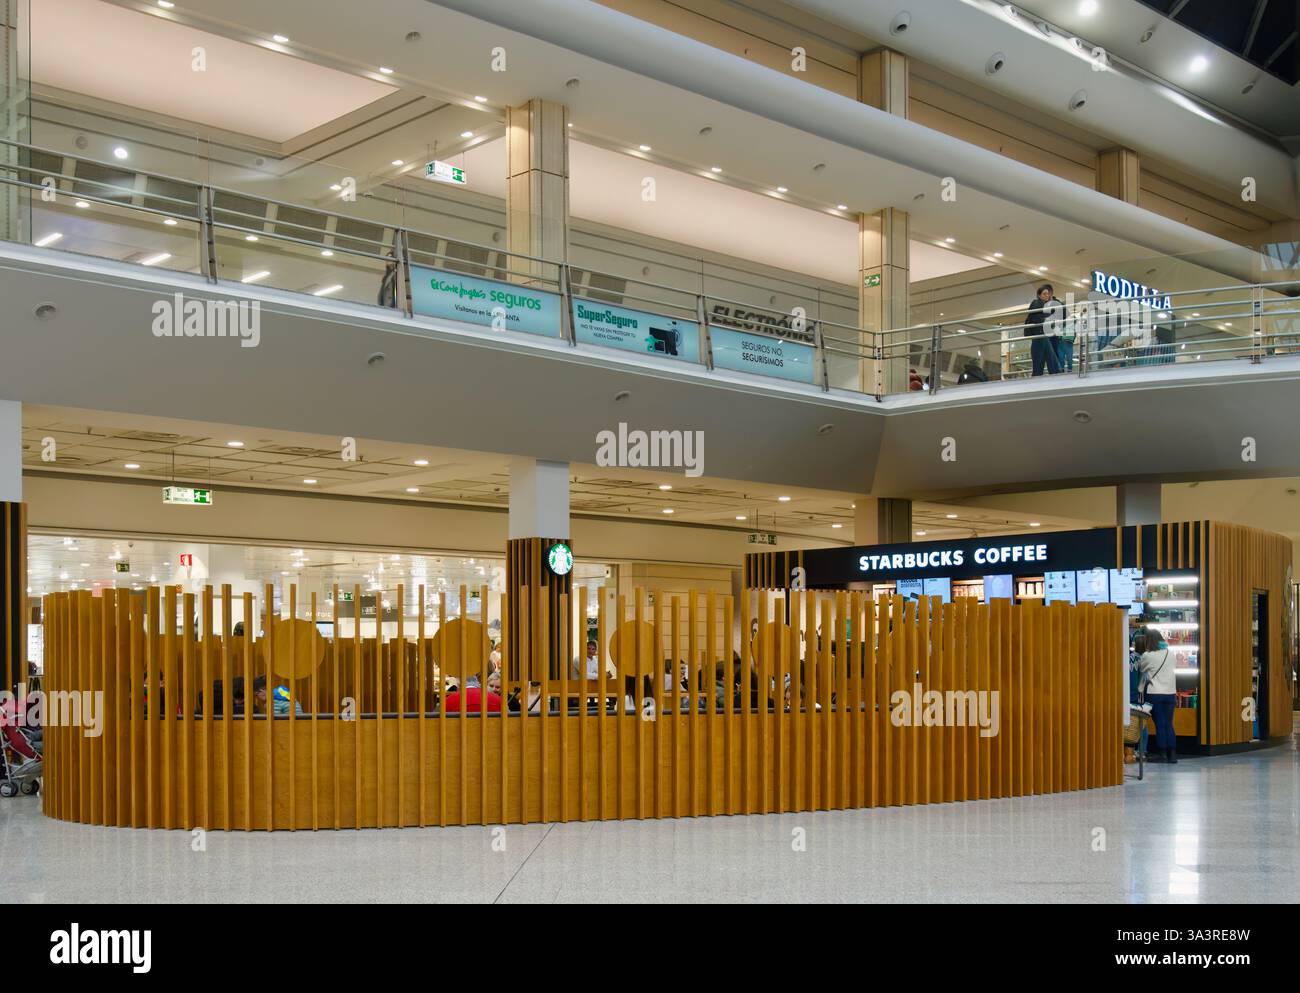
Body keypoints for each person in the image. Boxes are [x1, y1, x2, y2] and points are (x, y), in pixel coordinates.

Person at [1137, 629, 1176, 764]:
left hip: (1155, 694)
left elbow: (1142, 669)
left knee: (1160, 724)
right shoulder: (1170, 654)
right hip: (1170, 693)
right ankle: (1172, 754)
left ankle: (1162, 753)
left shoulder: (1147, 656)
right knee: (1169, 724)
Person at [1024, 283, 1063, 376]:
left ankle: (1051, 373)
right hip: (1039, 334)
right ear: (1039, 295)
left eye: (1048, 294)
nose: (1047, 296)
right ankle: (1055, 373)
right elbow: (1039, 316)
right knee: (1046, 356)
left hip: (1042, 334)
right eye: (1044, 294)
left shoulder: (1045, 304)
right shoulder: (1036, 302)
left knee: (1043, 357)